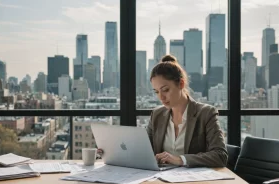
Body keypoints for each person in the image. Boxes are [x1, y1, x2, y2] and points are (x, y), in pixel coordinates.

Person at [98, 54, 228, 168]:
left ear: (181, 84)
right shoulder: (157, 115)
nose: (161, 97)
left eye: (165, 90)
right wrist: (112, 152)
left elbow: (220, 155)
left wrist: (180, 160)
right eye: (156, 92)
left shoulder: (206, 113)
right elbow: (144, 151)